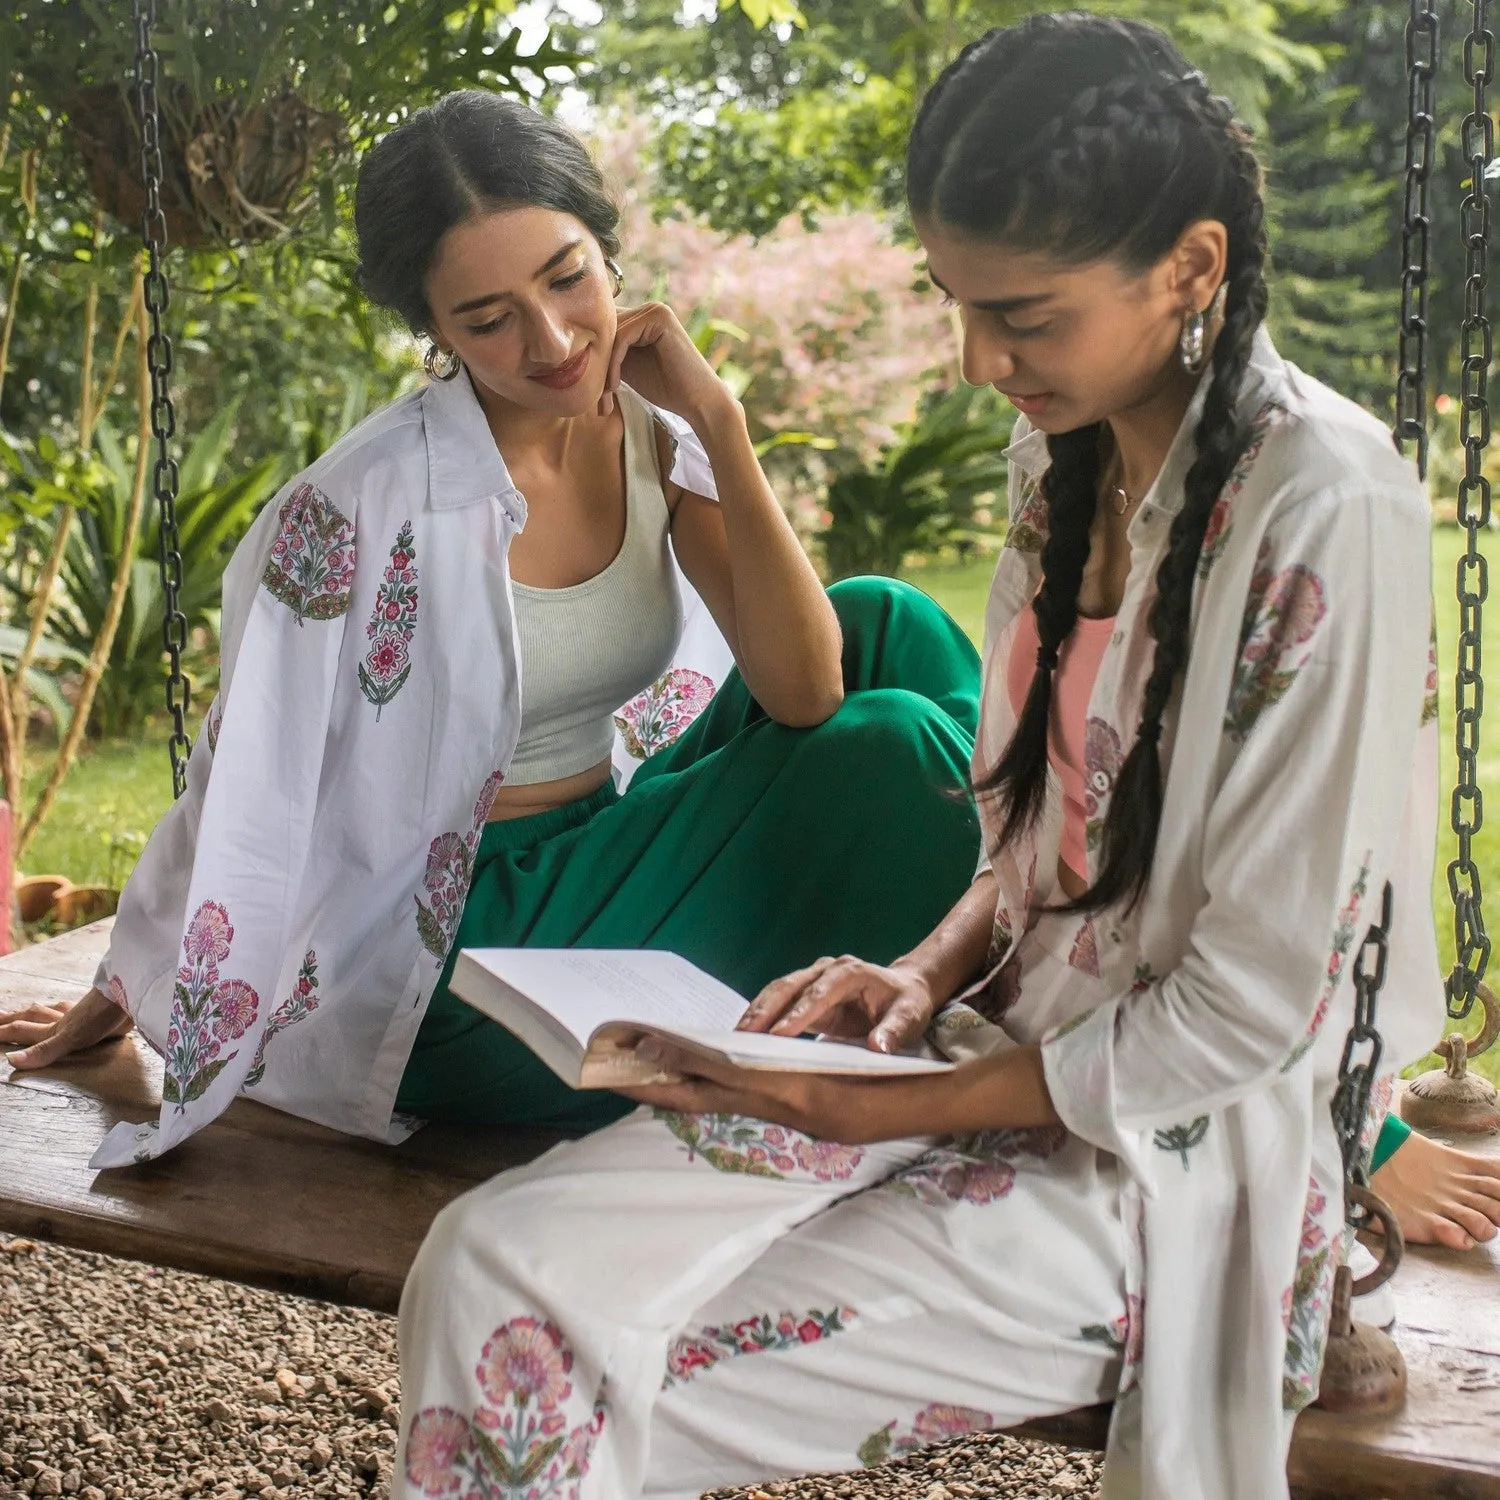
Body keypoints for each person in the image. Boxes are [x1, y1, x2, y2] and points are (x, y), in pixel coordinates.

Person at [392, 18, 1490, 1500]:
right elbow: (1038, 845)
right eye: (956, 305)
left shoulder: (1325, 511)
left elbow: (1250, 1014)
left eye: (1023, 318)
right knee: (489, 1260)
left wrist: (878, 1108)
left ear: (1192, 267)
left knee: (571, 1369)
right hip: (975, 1056)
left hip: (1170, 1159)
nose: (981, 364)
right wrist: (918, 975)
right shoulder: (1069, 446)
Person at [0, 93, 983, 1163]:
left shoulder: (655, 440)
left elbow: (806, 691)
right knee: (893, 752)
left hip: (603, 850)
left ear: (611, 254)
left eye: (568, 278)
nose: (553, 340)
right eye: (488, 318)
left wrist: (722, 425)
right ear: (433, 331)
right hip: (457, 950)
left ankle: (1004, 912)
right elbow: (248, 775)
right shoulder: (362, 505)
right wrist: (133, 984)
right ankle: (982, 936)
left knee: (887, 623)